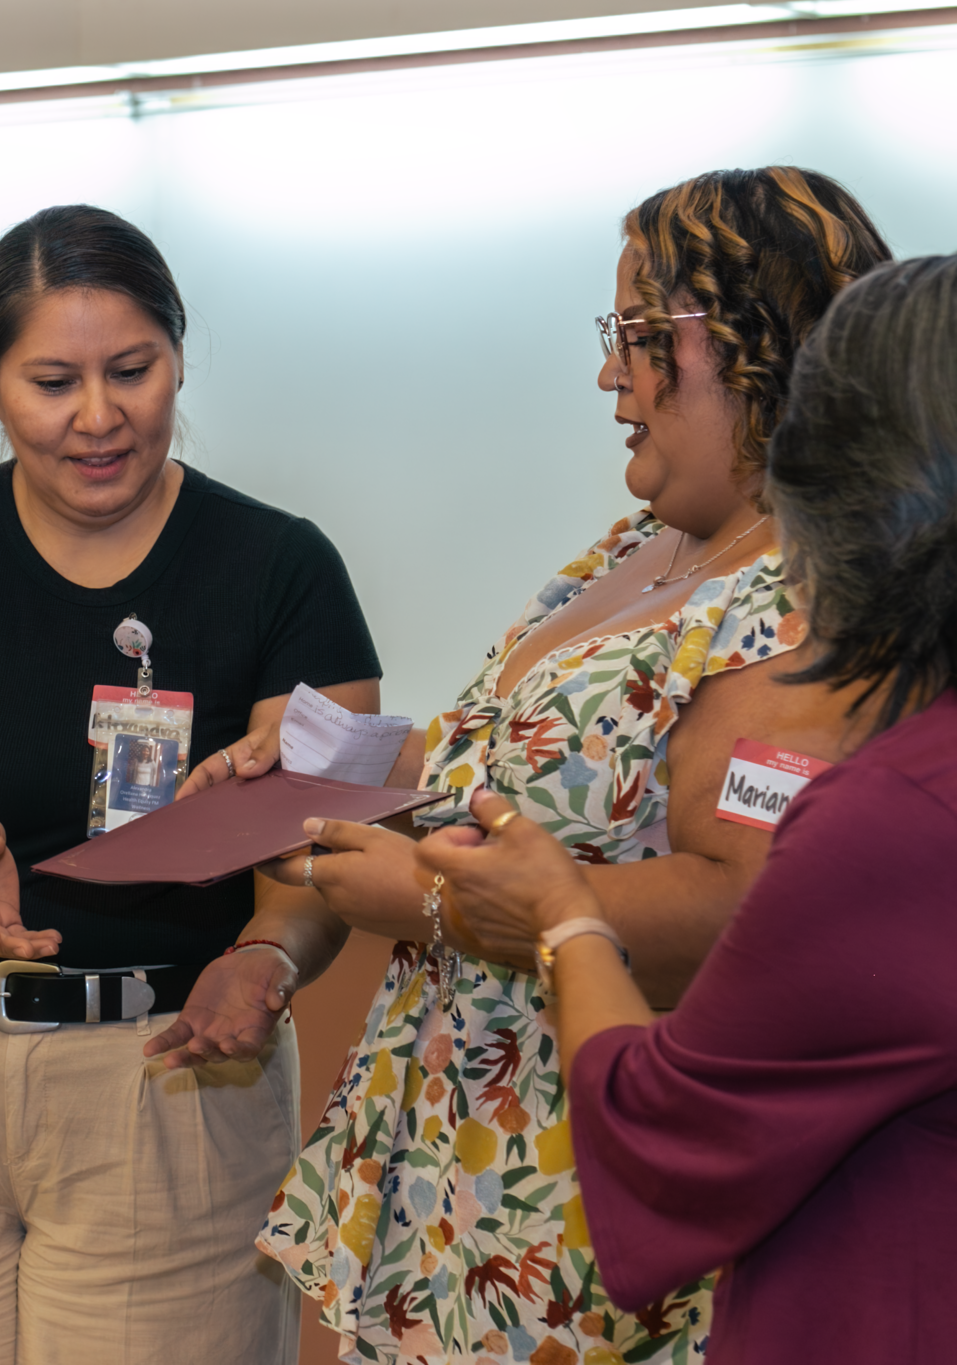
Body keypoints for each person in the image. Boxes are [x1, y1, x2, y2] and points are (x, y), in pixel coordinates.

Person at [233, 168, 893, 1363]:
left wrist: (426, 900)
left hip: (587, 1200)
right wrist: (334, 759)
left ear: (761, 346)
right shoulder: (646, 545)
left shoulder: (804, 594)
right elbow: (527, 762)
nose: (609, 375)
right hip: (464, 1164)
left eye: (642, 336)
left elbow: (747, 904)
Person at [0, 203, 384, 1364]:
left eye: (133, 371)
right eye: (51, 381)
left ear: (178, 356)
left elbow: (322, 855)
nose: (98, 418)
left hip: (169, 1080)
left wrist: (263, 957)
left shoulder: (280, 567)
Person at [420, 252, 957, 1365]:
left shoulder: (895, 818)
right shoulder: (622, 556)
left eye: (642, 335)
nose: (614, 378)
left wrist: (562, 919)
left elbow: (660, 1132)